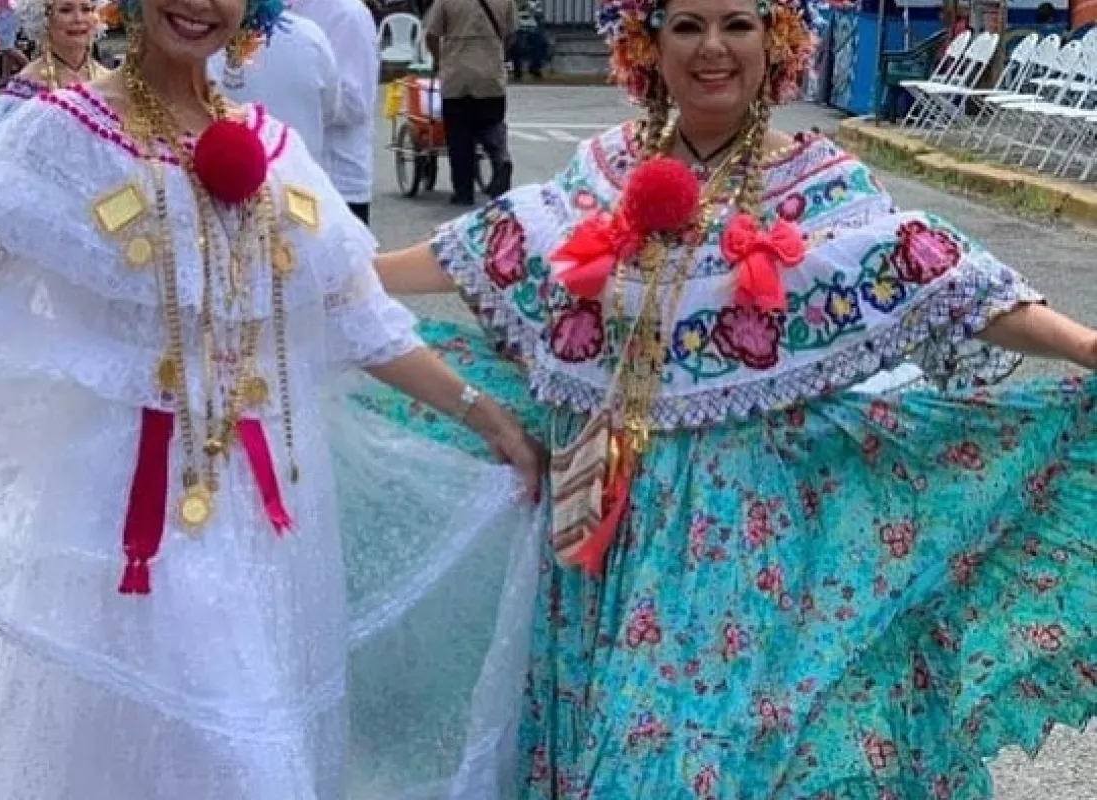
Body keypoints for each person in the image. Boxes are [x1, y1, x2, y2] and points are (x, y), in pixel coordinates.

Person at [0, 0, 544, 796]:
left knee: (243, 744)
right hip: (115, 519)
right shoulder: (61, 134)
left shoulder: (273, 151)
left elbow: (364, 319)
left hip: (257, 525)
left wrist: (490, 421)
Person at [373, 0, 1097, 794]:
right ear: (648, 47)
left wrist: (1083, 345)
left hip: (748, 542)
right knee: (601, 745)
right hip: (602, 527)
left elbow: (942, 278)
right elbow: (485, 247)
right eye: (686, 26)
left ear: (776, 43)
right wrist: (335, 283)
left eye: (738, 25)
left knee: (683, 764)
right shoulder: (603, 170)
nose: (712, 48)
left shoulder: (821, 186)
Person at [210, 9, 339, 169]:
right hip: (287, 176)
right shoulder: (309, 35)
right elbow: (330, 110)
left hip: (295, 179)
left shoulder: (203, 37)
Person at [289, 0, 379, 224]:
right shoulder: (274, 9)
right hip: (287, 180)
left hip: (337, 181)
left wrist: (301, 97)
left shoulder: (347, 14)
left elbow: (356, 104)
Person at [424, 0, 515, 206]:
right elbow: (510, 35)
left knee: (459, 137)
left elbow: (431, 35)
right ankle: (501, 159)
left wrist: (440, 59)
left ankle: (463, 192)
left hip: (458, 75)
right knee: (492, 124)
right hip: (491, 76)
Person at [0, 0, 108, 138]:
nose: (78, 19)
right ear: (45, 19)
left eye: (86, 9)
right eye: (65, 10)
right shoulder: (26, 87)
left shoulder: (107, 79)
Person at [508, 0, 547, 81]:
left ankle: (535, 68)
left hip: (531, 28)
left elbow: (539, 13)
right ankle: (517, 72)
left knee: (541, 43)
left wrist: (536, 13)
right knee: (515, 45)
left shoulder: (533, 2)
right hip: (515, 28)